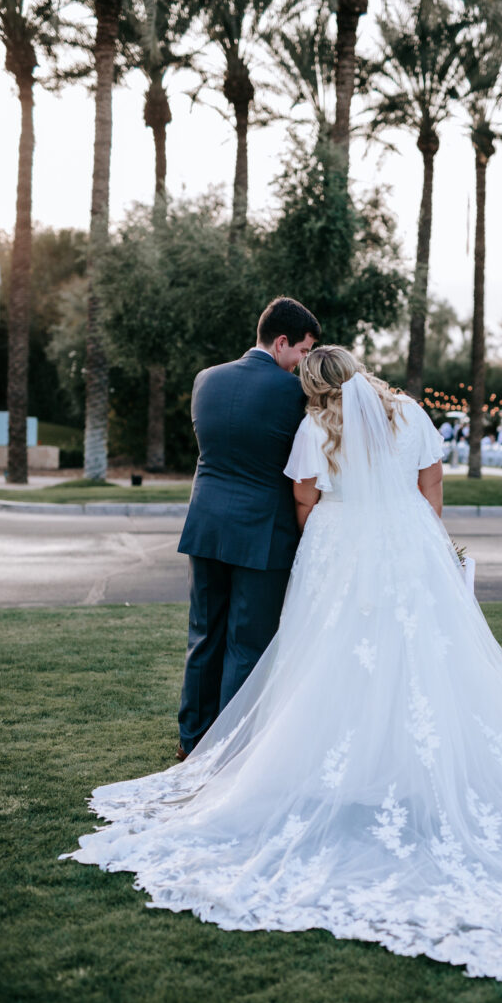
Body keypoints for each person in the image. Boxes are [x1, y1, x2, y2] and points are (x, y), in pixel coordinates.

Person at [62, 347, 502, 992]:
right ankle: (412, 762)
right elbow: (432, 486)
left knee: (330, 654)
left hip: (339, 543)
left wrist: (330, 535)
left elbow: (304, 499)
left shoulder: (314, 426)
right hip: (410, 539)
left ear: (313, 386)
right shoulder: (410, 413)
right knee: (421, 654)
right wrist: (414, 533)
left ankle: (330, 765)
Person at [174, 296, 320, 761]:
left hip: (206, 526)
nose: (302, 364)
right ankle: (230, 748)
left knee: (204, 635)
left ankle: (192, 741)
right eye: (302, 351)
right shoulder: (294, 394)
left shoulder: (206, 380)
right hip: (263, 531)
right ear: (281, 342)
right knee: (247, 643)